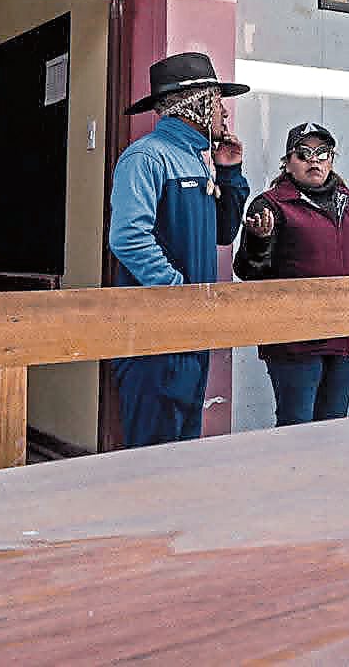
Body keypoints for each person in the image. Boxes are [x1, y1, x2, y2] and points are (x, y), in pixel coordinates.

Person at [108, 52, 250, 448]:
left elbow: (224, 233)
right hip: (154, 335)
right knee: (153, 453)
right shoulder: (146, 157)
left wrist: (230, 172)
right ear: (197, 105)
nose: (225, 112)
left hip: (190, 331)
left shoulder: (200, 160)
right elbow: (128, 238)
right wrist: (178, 290)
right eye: (218, 102)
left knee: (184, 448)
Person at [234, 122, 349, 426]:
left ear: (331, 159)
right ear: (288, 163)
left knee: (333, 426)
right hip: (295, 341)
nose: (313, 160)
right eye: (303, 153)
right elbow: (248, 271)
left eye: (322, 153)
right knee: (297, 426)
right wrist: (259, 240)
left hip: (345, 336)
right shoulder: (270, 205)